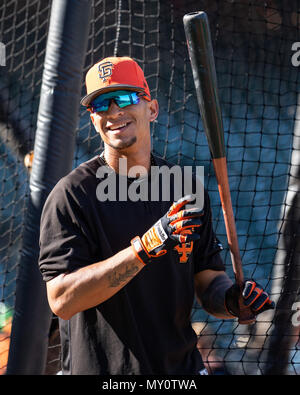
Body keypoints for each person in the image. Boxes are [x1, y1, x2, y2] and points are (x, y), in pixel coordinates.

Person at [38, 56, 274, 375]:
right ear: (93, 119)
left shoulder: (184, 189)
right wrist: (144, 248)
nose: (114, 112)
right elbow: (62, 299)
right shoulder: (71, 195)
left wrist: (232, 302)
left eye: (125, 98)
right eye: (101, 104)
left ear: (152, 109)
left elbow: (208, 282)